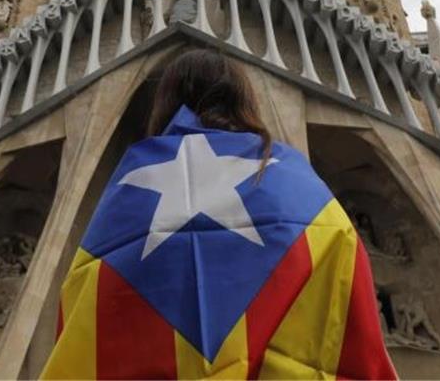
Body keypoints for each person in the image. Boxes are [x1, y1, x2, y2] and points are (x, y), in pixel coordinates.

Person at [42, 49, 397, 380]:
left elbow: (86, 302)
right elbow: (343, 279)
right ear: (243, 98)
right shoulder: (291, 177)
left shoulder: (130, 186)